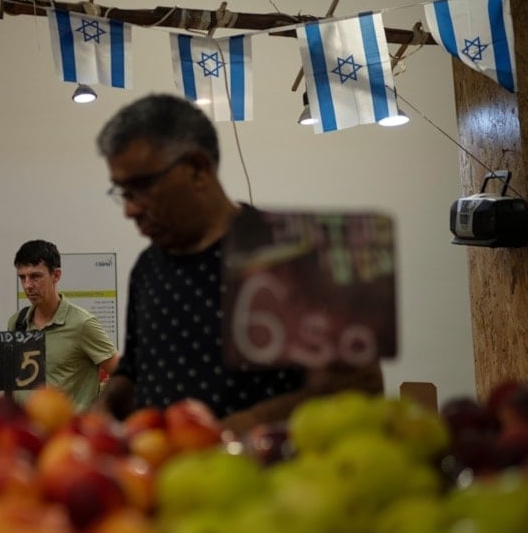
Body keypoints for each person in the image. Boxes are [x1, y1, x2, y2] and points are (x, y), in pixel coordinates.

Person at [93, 94, 383, 434]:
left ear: (198, 170)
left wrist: (225, 435)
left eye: (140, 187)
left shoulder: (304, 256)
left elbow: (358, 389)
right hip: (163, 479)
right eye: (123, 193)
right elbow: (135, 370)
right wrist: (104, 406)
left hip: (270, 480)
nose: (130, 210)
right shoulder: (147, 267)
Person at [8, 240, 119, 411]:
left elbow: (122, 374)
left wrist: (101, 413)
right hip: (26, 432)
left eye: (35, 276)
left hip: (69, 433)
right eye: (22, 277)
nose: (28, 285)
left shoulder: (82, 324)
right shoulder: (17, 322)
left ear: (56, 275)